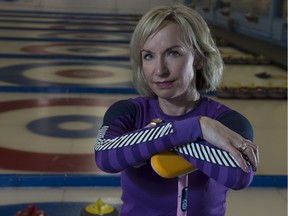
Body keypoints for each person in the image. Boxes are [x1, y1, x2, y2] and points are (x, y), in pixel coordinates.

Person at [94, 4, 259, 216]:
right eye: (148, 56)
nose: (160, 70)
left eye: (173, 53)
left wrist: (156, 139)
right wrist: (197, 127)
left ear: (199, 58)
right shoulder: (129, 111)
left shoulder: (227, 122)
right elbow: (105, 155)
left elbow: (238, 175)